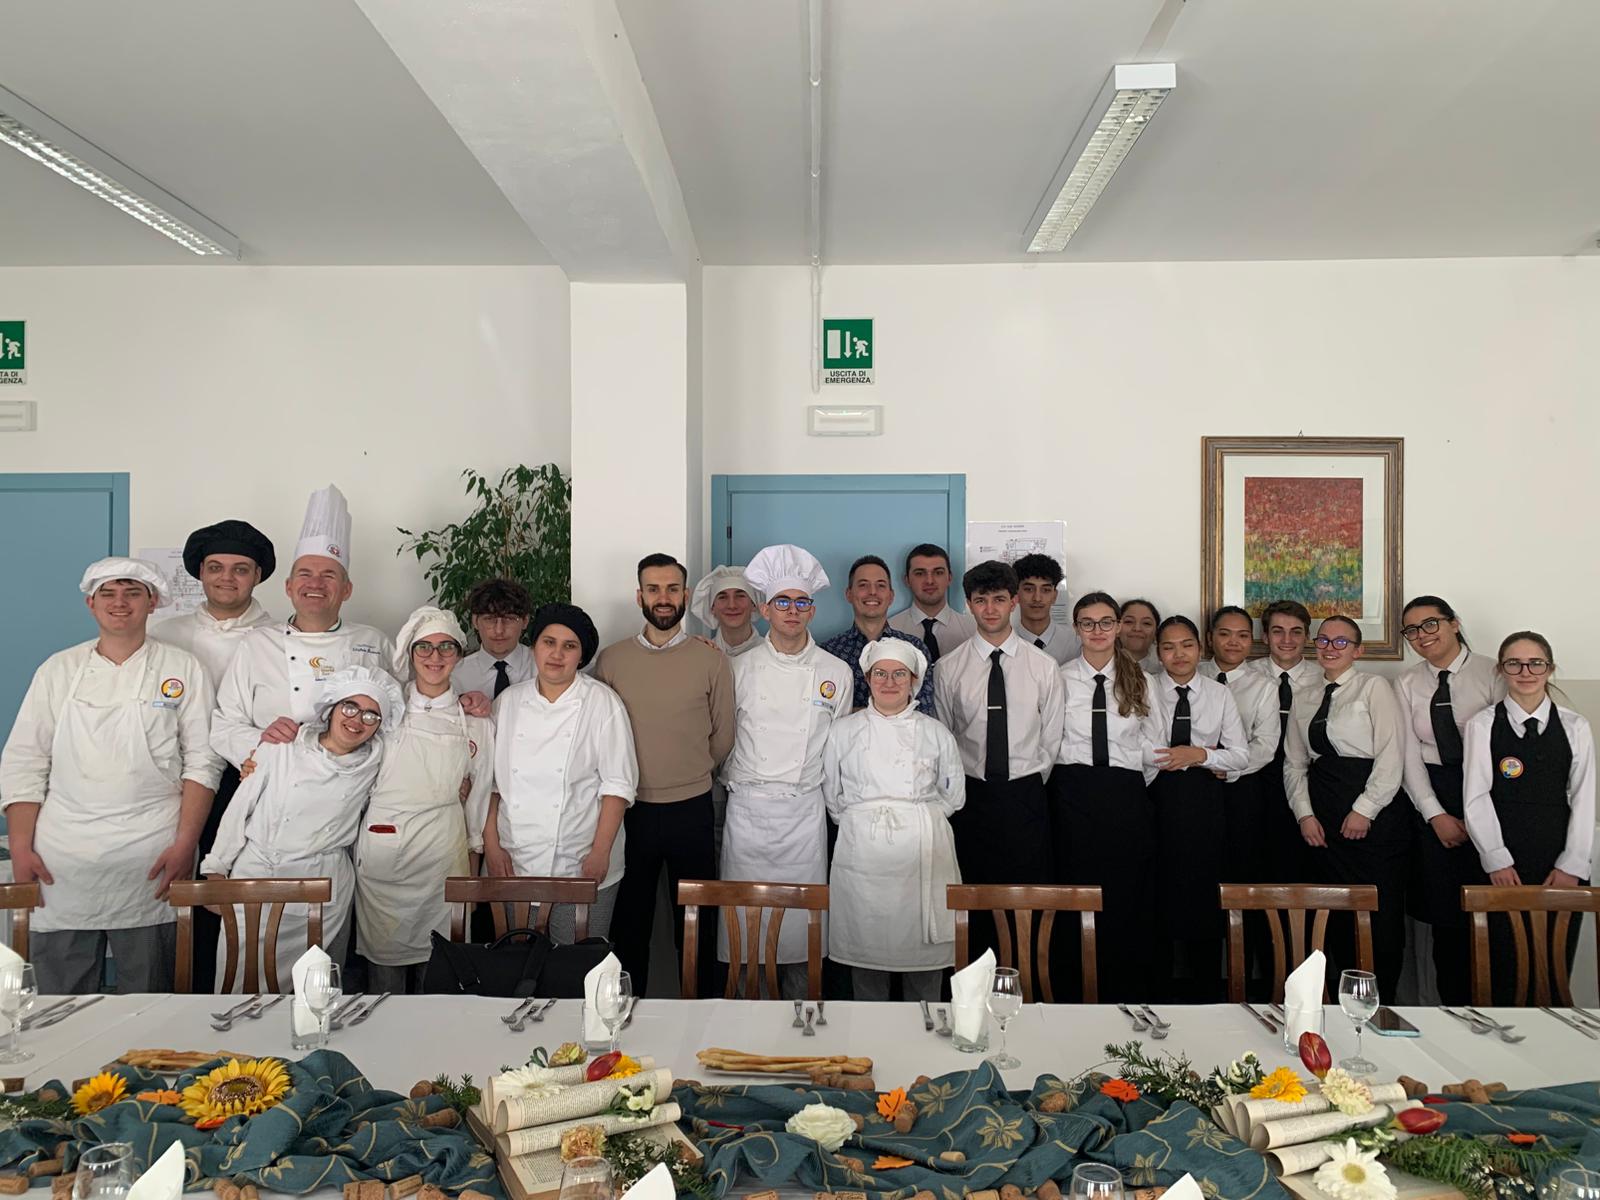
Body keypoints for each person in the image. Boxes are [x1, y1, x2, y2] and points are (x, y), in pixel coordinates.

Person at [1, 558, 222, 994]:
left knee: (150, 999)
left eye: (133, 592)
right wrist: (21, 848)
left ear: (152, 603)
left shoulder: (183, 668)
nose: (120, 602)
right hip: (63, 858)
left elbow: (203, 762)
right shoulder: (58, 670)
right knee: (60, 1003)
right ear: (91, 603)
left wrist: (185, 846)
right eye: (109, 593)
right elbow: (25, 761)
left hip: (152, 853)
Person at [202, 666, 404, 987]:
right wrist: (216, 870)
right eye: (350, 707)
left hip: (322, 885)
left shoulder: (377, 763)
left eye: (371, 715)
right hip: (257, 875)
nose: (357, 720)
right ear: (331, 709)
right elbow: (240, 808)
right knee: (242, 985)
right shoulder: (282, 746)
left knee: (314, 992)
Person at [594, 554, 735, 996]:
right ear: (639, 596)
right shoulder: (611, 660)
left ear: (686, 595)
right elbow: (600, 737)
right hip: (629, 810)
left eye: (672, 589)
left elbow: (722, 736)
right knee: (629, 923)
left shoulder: (710, 660)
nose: (663, 598)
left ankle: (701, 1012)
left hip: (691, 808)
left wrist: (688, 771)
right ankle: (625, 1014)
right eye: (653, 589)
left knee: (696, 924)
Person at [149, 519, 276, 990]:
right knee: (184, 882)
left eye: (240, 569)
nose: (227, 577)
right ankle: (191, 987)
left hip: (252, 778)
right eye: (216, 567)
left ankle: (247, 987)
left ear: (257, 576)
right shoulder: (166, 634)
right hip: (179, 780)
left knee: (241, 884)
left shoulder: (279, 636)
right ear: (200, 572)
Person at [721, 544, 851, 995]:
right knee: (746, 934)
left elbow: (837, 747)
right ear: (764, 609)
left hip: (803, 814)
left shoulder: (836, 672)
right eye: (782, 602)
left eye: (801, 602)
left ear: (812, 610)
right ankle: (743, 1016)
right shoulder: (737, 668)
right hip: (748, 811)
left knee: (802, 934)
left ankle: (803, 1016)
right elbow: (721, 737)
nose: (792, 611)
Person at [353, 608, 495, 993]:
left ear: (459, 655)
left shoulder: (476, 721)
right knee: (384, 977)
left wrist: (473, 867)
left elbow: (480, 795)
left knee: (441, 970)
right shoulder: (384, 711)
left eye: (446, 647)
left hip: (445, 852)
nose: (435, 657)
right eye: (425, 648)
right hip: (384, 851)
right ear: (411, 654)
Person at [211, 485, 394, 772]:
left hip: (355, 779)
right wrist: (262, 743)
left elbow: (400, 716)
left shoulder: (374, 642)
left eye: (329, 575)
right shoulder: (256, 644)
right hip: (275, 775)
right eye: (305, 574)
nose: (315, 584)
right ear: (289, 587)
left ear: (347, 589)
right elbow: (224, 726)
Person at [934, 561, 1062, 963]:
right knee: (973, 894)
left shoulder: (1042, 666)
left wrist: (1027, 782)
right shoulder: (949, 667)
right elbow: (945, 736)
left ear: (1014, 602)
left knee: (1025, 896)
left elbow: (1051, 738)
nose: (990, 609)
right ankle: (972, 985)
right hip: (971, 797)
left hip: (1025, 795)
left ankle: (1025, 979)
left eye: (999, 599)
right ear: (969, 604)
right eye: (981, 600)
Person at [823, 639, 964, 1002]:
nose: (889, 682)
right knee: (866, 962)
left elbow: (954, 796)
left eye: (899, 674)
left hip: (922, 852)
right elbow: (832, 796)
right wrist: (864, 821)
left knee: (924, 968)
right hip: (862, 854)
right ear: (867, 678)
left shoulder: (935, 732)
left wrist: (914, 819)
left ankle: (926, 1028)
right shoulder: (843, 731)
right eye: (880, 674)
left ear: (913, 680)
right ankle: (870, 1034)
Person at [487, 604, 637, 942]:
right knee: (517, 962)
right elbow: (491, 787)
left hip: (582, 859)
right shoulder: (507, 703)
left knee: (578, 963)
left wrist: (600, 853)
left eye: (569, 646)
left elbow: (618, 787)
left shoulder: (603, 703)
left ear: (581, 656)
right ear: (534, 647)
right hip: (515, 858)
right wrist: (493, 848)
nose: (557, 654)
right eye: (548, 642)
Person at [1463, 632, 1594, 1003]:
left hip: (1559, 860)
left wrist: (1572, 864)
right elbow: (1475, 797)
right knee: (1503, 967)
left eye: (1536, 663)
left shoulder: (1575, 726)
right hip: (1503, 860)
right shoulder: (1483, 724)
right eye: (1514, 663)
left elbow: (1584, 798)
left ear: (1549, 668)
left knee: (1553, 967)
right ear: (1500, 669)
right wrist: (1496, 858)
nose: (1526, 672)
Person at [1283, 616, 1410, 997]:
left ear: (1358, 650)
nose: (1330, 648)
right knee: (1332, 914)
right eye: (1323, 640)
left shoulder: (1374, 687)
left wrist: (1365, 809)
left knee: (1379, 916)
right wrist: (1304, 814)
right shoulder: (1305, 694)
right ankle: (1338, 1002)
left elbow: (1392, 754)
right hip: (1322, 815)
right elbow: (1294, 763)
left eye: (1341, 642)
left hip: (1374, 815)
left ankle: (1378, 1002)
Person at [1392, 595, 1503, 1005]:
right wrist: (1435, 814)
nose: (1422, 635)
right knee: (1445, 918)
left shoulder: (1492, 672)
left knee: (1492, 912)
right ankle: (1452, 1009)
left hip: (1491, 795)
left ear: (1454, 624)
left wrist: (1480, 818)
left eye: (1431, 624)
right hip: (1433, 795)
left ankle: (1495, 1010)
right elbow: (1408, 756)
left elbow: (1505, 746)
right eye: (1412, 630)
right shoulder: (1407, 683)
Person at [1048, 592, 1153, 1001]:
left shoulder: (1140, 678)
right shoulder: (1058, 677)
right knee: (1075, 887)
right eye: (1088, 623)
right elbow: (1048, 738)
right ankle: (1073, 988)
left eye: (1106, 622)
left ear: (1118, 626)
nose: (1097, 630)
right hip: (1071, 793)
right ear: (1076, 628)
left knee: (1123, 893)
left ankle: (1122, 988)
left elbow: (1151, 745)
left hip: (1124, 796)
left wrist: (1125, 786)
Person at [1144, 615, 1247, 1002]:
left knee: (1205, 896)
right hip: (1156, 800)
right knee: (1158, 895)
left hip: (1204, 806)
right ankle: (1157, 993)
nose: (1179, 654)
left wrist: (1200, 754)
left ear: (1200, 648)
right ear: (1158, 652)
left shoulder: (1218, 694)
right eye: (1168, 647)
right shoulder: (1146, 687)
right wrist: (1182, 756)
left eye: (1186, 645)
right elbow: (1141, 746)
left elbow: (1240, 755)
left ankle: (1207, 994)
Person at [1199, 605, 1283, 999]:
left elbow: (1266, 744)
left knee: (1242, 881)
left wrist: (1228, 767)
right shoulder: (1192, 672)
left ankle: (1245, 983)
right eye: (1225, 634)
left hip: (1242, 790)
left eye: (1243, 635)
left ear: (1253, 641)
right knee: (1200, 880)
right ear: (1210, 638)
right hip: (1195, 789)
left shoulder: (1263, 685)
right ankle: (1201, 982)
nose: (1234, 642)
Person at [1246, 599, 1322, 881]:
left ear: (1307, 636)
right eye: (1278, 631)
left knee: (1302, 862)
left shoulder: (1323, 678)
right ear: (1265, 636)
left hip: (1308, 780)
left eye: (1296, 632)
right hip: (1254, 779)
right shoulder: (1247, 676)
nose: (1287, 640)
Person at [821, 555, 935, 715]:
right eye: (863, 585)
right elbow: (825, 713)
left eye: (880, 585)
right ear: (849, 594)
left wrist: (854, 712)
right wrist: (893, 711)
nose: (872, 592)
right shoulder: (830, 652)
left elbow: (923, 711)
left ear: (891, 596)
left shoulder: (914, 648)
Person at [887, 544, 976, 666]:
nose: (929, 581)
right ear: (907, 580)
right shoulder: (890, 631)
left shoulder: (973, 631)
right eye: (920, 573)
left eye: (938, 572)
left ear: (949, 578)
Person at [453, 578, 535, 700]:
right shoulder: (457, 675)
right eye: (489, 619)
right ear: (475, 621)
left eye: (509, 619)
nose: (499, 630)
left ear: (525, 621)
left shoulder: (542, 668)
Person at [1011, 553, 1079, 665]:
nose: (1037, 598)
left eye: (1046, 590)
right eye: (1029, 589)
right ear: (1016, 594)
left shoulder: (1076, 643)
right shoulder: (1005, 642)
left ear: (1054, 596)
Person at [690, 565, 762, 658]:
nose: (732, 605)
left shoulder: (771, 655)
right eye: (722, 597)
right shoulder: (701, 656)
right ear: (712, 607)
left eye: (740, 596)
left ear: (754, 604)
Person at [1118, 598, 1162, 675]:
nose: (1137, 629)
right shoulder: (1101, 666)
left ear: (1156, 633)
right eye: (1129, 621)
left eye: (1146, 623)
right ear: (1117, 628)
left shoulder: (1165, 671)